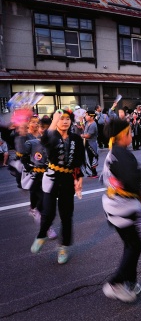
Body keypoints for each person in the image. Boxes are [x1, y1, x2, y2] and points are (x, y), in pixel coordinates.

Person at [101, 118, 141, 303]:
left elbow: (124, 175)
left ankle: (131, 282)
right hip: (123, 207)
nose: (132, 136)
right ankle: (115, 283)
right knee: (135, 244)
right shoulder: (121, 154)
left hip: (114, 205)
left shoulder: (114, 153)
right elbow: (133, 180)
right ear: (123, 135)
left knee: (131, 243)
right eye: (130, 132)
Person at [31, 109, 85, 264]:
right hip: (51, 177)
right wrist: (54, 120)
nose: (65, 121)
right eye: (62, 118)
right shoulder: (52, 135)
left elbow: (79, 160)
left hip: (68, 179)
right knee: (48, 212)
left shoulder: (76, 138)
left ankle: (63, 247)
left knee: (66, 215)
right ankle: (42, 235)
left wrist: (78, 178)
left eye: (68, 119)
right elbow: (44, 141)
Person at [82, 110, 99, 178]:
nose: (85, 116)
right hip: (87, 142)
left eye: (87, 115)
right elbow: (85, 130)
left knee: (92, 158)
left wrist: (81, 135)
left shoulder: (93, 124)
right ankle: (91, 173)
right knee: (88, 158)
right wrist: (81, 122)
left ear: (91, 116)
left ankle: (94, 173)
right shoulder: (87, 123)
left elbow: (88, 135)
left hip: (91, 143)